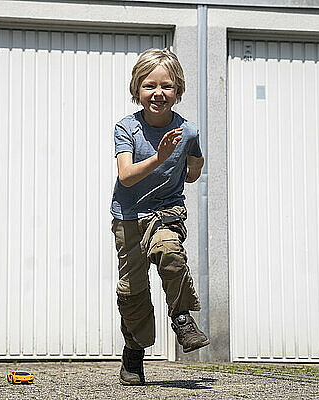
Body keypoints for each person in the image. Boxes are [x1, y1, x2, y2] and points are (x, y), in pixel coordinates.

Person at [111, 48, 209, 385]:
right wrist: (159, 156)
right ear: (137, 89)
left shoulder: (189, 131)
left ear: (178, 91)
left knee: (170, 254)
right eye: (150, 86)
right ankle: (134, 351)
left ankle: (182, 318)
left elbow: (193, 172)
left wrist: (193, 164)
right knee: (133, 289)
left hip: (166, 210)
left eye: (166, 86)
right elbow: (126, 175)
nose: (158, 93)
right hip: (128, 216)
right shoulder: (127, 128)